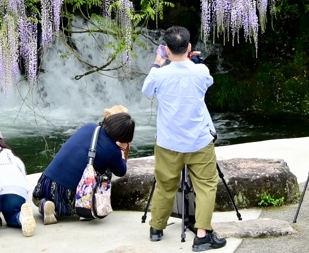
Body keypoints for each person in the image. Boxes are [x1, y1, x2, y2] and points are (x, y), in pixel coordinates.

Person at [142, 26, 226, 252]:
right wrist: (195, 61)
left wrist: (157, 63)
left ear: (166, 50)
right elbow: (206, 81)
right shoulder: (201, 72)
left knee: (165, 185)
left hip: (168, 142)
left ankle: (156, 228)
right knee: (206, 185)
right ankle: (202, 236)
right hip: (198, 141)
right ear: (189, 47)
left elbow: (147, 90)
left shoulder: (158, 74)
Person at [32, 107, 135, 223]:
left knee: (35, 198)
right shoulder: (113, 151)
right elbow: (121, 171)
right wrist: (124, 152)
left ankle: (44, 204)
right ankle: (87, 207)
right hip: (69, 195)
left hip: (46, 182)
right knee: (107, 168)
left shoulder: (90, 127)